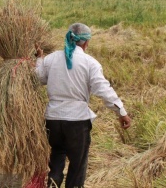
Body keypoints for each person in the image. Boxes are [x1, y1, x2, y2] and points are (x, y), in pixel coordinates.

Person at [35, 23, 131, 188]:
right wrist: (121, 111)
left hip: (52, 119)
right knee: (77, 165)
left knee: (56, 157)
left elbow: (38, 78)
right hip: (77, 121)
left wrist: (38, 59)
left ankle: (52, 185)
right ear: (86, 42)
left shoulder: (51, 59)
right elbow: (103, 89)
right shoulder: (90, 63)